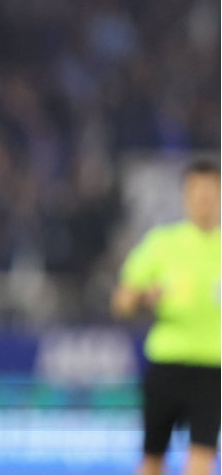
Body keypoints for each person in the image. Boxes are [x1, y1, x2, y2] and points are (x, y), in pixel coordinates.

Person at [111, 159, 221, 475]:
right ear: (186, 196)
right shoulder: (162, 244)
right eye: (197, 191)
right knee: (153, 458)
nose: (204, 199)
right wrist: (143, 298)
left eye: (210, 191)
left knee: (201, 457)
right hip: (166, 364)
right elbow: (121, 302)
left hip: (212, 368)